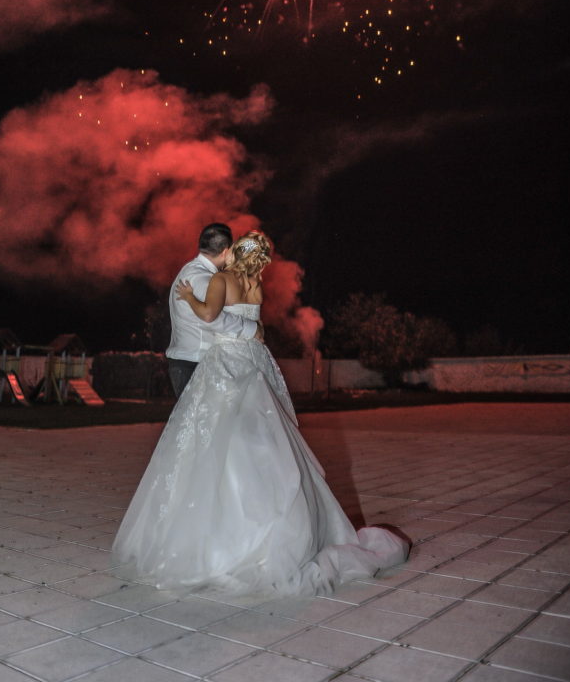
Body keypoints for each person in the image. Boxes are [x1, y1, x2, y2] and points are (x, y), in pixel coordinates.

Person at [112, 229, 409, 596]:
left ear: (233, 253)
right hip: (249, 362)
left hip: (224, 363)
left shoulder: (218, 278)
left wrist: (191, 298)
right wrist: (254, 327)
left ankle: (221, 530)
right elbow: (247, 323)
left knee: (217, 440)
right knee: (257, 437)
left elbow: (210, 317)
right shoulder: (253, 284)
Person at [165, 222, 260, 398]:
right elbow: (212, 317)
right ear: (226, 251)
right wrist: (252, 328)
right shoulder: (204, 278)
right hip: (195, 363)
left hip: (190, 362)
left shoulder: (191, 270)